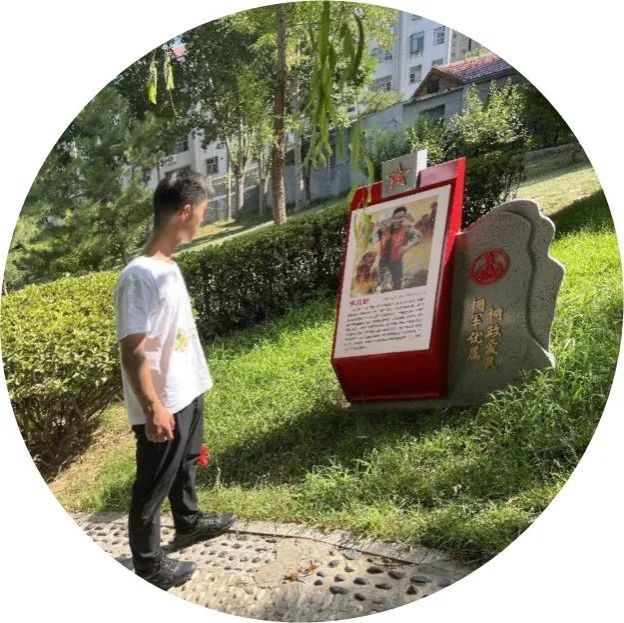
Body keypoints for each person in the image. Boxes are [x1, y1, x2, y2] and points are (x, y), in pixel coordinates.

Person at [113, 171, 236, 591]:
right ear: (185, 211)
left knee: (185, 465)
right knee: (152, 484)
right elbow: (134, 349)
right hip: (163, 401)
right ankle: (149, 567)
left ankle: (188, 523)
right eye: (202, 212)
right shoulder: (138, 275)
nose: (203, 220)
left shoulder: (168, 266)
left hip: (187, 388)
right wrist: (153, 407)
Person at [377, 206, 423, 290]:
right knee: (386, 286)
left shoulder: (406, 229)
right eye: (395, 218)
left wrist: (407, 247)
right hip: (384, 262)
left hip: (397, 263)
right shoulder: (383, 229)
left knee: (398, 285)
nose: (398, 220)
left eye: (401, 217)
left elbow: (418, 237)